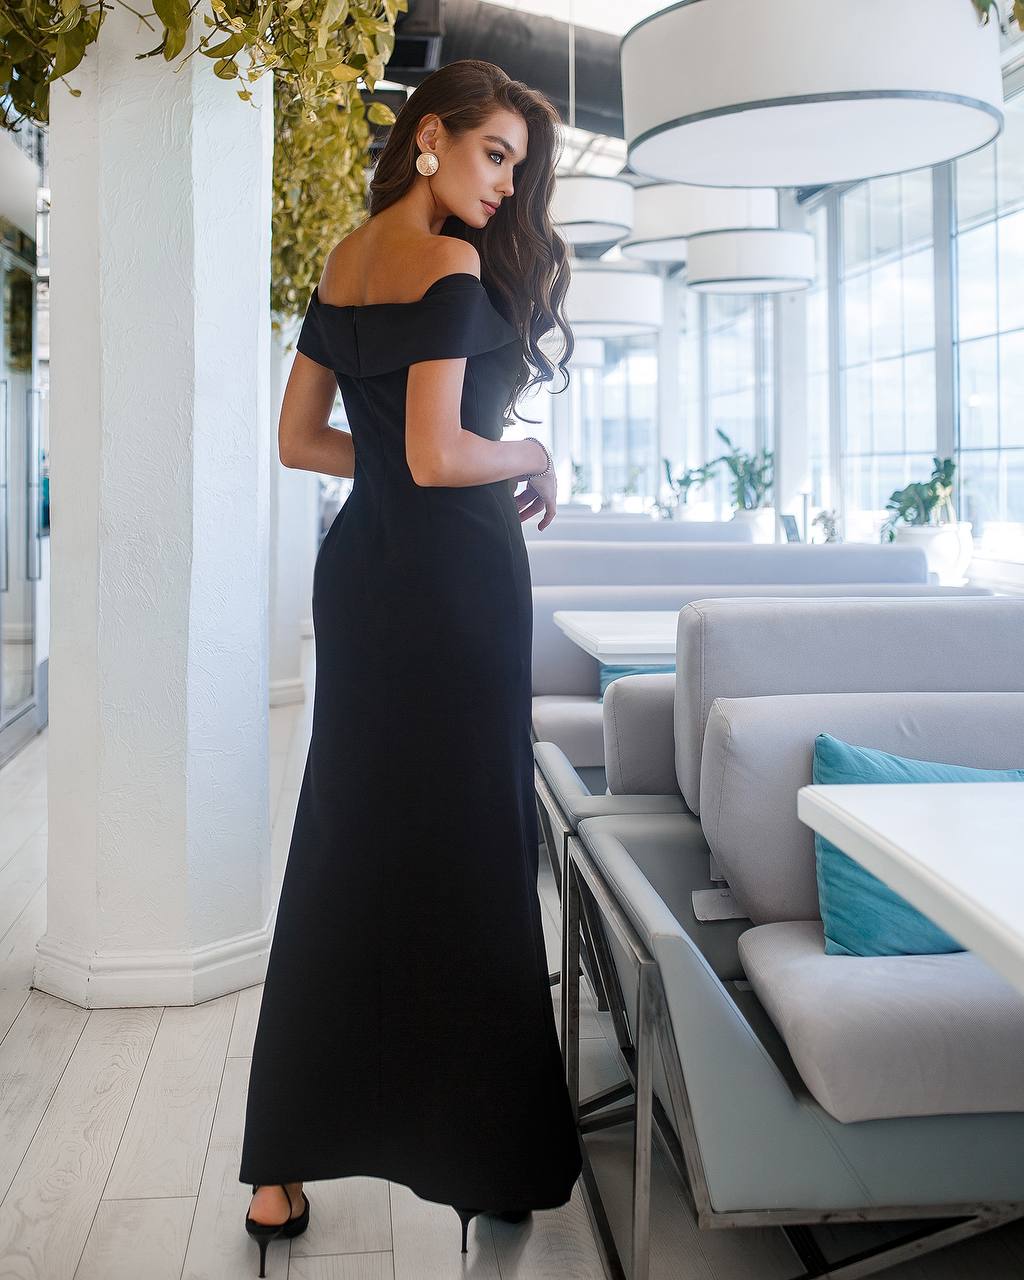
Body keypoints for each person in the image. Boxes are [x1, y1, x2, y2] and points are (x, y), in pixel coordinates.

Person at [238, 58, 582, 1276]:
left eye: (516, 168)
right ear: (429, 137)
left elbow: (298, 440)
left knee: (347, 842)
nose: (505, 184)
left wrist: (391, 468)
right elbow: (442, 455)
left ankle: (278, 1164)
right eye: (495, 154)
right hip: (452, 591)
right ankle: (489, 1155)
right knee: (474, 850)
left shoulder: (344, 259)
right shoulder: (445, 265)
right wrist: (529, 445)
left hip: (371, 581)